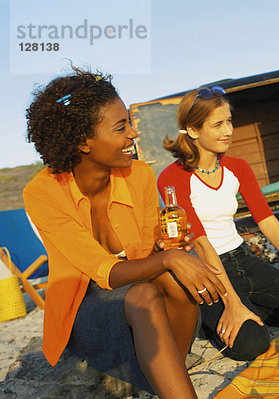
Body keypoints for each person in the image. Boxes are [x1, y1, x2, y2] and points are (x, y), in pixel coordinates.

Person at [23, 69, 227, 399]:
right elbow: (105, 274)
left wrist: (166, 248)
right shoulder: (43, 193)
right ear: (82, 141)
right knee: (147, 292)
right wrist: (170, 258)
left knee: (176, 280)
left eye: (130, 121)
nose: (134, 133)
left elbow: (147, 255)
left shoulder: (140, 176)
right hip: (85, 306)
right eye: (121, 127)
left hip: (136, 291)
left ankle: (168, 374)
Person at [157, 87, 279, 361]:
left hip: (244, 259)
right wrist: (231, 304)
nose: (228, 130)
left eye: (229, 120)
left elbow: (267, 221)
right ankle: (215, 315)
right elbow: (201, 242)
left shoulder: (237, 167)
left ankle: (249, 305)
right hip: (208, 269)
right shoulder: (173, 177)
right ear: (193, 130)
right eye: (217, 124)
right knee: (252, 344)